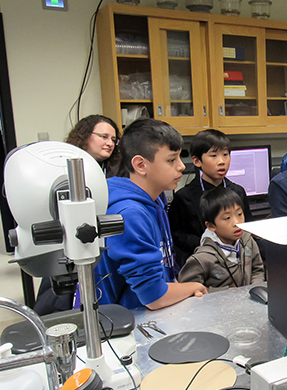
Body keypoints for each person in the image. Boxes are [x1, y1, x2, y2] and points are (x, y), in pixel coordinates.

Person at [94, 118, 207, 310]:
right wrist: (194, 286)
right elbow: (153, 296)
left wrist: (177, 288)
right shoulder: (130, 214)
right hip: (125, 325)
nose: (181, 166)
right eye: (171, 160)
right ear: (140, 165)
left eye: (179, 157)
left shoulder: (156, 200)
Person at [168, 129, 252, 266]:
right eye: (213, 156)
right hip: (201, 261)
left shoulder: (237, 191)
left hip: (237, 259)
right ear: (197, 161)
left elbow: (248, 225)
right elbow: (176, 234)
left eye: (225, 154)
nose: (222, 161)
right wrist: (206, 245)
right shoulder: (184, 196)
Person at [178, 187, 265, 290]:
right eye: (227, 218)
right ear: (211, 226)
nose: (236, 222)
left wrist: (253, 288)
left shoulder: (247, 240)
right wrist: (224, 293)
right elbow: (188, 290)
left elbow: (257, 270)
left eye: (239, 214)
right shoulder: (203, 258)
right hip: (220, 304)